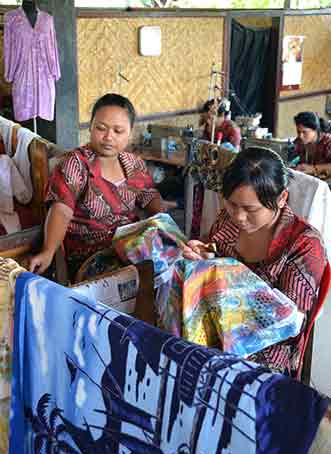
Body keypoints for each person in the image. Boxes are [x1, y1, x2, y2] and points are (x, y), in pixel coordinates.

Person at [183, 147, 327, 375]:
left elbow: (288, 321)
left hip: (268, 345)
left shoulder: (303, 244)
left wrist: (224, 275)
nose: (239, 216)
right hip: (217, 322)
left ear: (281, 199)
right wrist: (204, 255)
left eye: (251, 209)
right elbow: (214, 252)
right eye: (231, 204)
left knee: (212, 372)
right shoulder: (227, 221)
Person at [29, 93, 162, 277]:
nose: (108, 137)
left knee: (177, 264)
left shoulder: (134, 164)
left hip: (131, 246)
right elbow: (61, 208)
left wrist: (166, 229)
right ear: (91, 127)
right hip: (90, 255)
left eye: (118, 131)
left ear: (130, 134)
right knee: (142, 276)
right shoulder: (75, 163)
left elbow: (150, 197)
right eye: (101, 128)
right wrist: (48, 251)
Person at [294, 112, 331, 177]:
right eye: (298, 132)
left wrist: (313, 168)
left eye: (304, 132)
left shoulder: (328, 142)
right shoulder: (299, 142)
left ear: (315, 130)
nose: (300, 136)